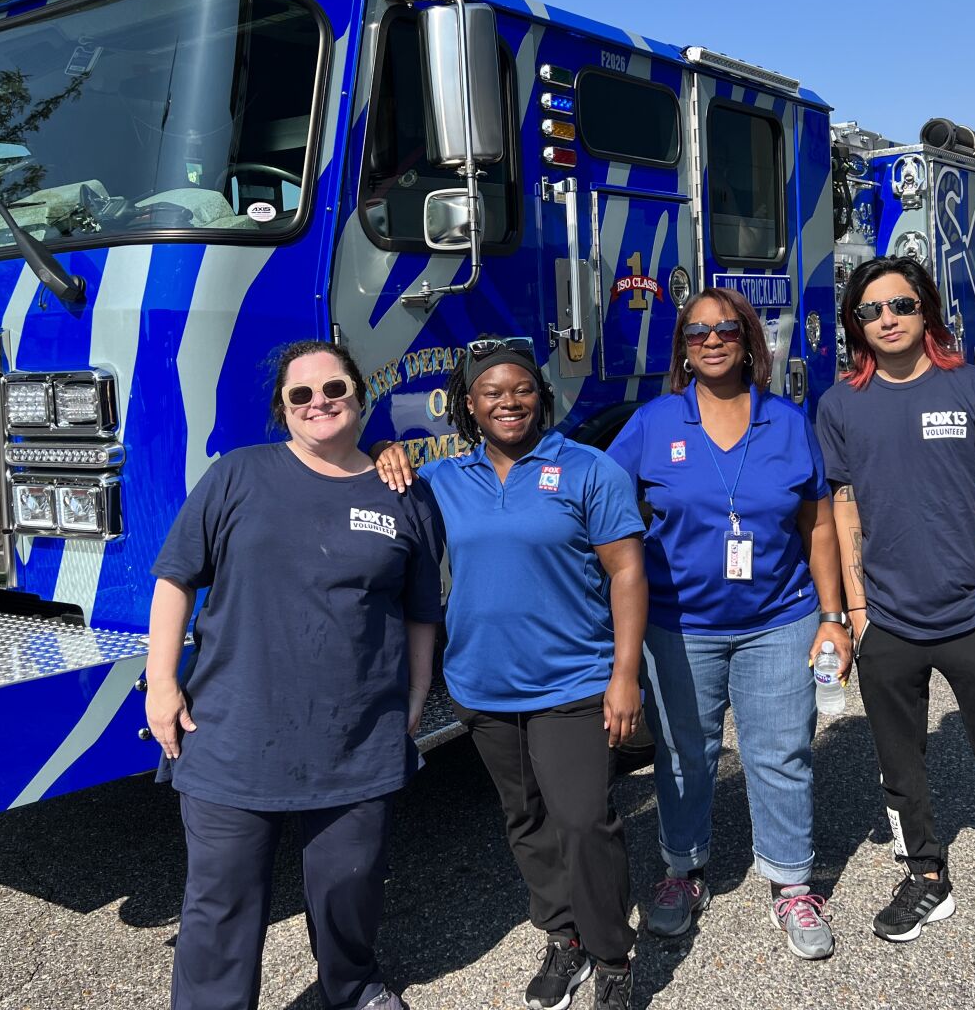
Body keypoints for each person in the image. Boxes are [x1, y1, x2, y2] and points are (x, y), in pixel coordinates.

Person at [146, 339, 445, 1010]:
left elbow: (420, 610)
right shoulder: (237, 475)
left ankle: (355, 984)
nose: (320, 403)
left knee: (351, 883)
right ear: (282, 409)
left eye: (334, 389)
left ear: (360, 398)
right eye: (301, 394)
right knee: (220, 900)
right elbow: (175, 578)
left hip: (356, 731)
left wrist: (419, 693)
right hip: (233, 732)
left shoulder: (405, 493)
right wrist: (161, 681)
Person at [376, 338, 647, 1010]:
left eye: (521, 389)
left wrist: (625, 674)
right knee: (525, 816)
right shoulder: (443, 478)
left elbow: (627, 572)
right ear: (468, 405)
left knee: (584, 818)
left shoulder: (589, 470)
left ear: (541, 395)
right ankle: (564, 937)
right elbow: (369, 488)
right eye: (492, 392)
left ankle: (612, 954)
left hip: (573, 681)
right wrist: (381, 455)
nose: (509, 401)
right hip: (480, 684)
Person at [816, 256, 975, 965]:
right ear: (856, 326)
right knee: (899, 763)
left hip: (970, 614)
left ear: (925, 309)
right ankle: (925, 873)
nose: (887, 318)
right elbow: (843, 506)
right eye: (871, 310)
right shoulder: (841, 404)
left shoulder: (971, 386)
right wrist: (858, 608)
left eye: (900, 303)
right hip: (887, 622)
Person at [603, 287, 850, 960]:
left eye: (725, 329)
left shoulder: (788, 421)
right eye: (695, 332)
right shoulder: (654, 423)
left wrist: (835, 616)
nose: (711, 340)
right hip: (679, 625)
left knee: (781, 752)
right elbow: (597, 496)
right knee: (684, 753)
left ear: (749, 340)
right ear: (683, 347)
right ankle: (682, 871)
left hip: (781, 618)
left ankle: (792, 881)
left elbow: (819, 524)